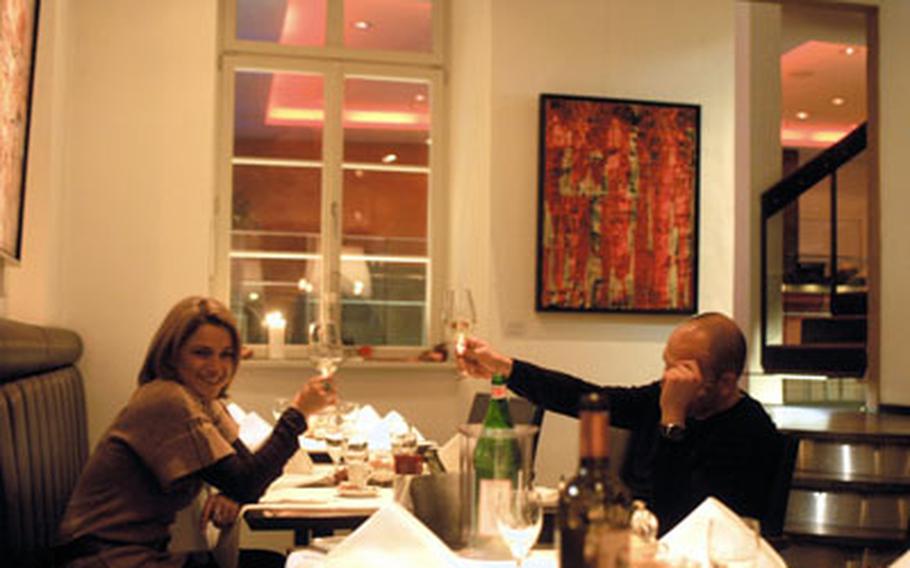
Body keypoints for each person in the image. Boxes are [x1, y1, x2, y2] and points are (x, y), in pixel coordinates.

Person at [55, 296, 337, 567]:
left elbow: (245, 473)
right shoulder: (167, 399)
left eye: (226, 355)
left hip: (141, 554)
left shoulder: (202, 401)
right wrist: (299, 411)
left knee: (286, 561)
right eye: (202, 353)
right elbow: (247, 482)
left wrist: (233, 493)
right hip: (106, 559)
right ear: (171, 354)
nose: (216, 367)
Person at [458, 312, 781, 533]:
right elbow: (586, 398)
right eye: (666, 366)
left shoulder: (750, 433)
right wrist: (504, 368)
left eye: (682, 371)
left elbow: (675, 520)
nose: (669, 380)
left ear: (726, 383)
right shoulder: (663, 395)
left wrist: (672, 423)